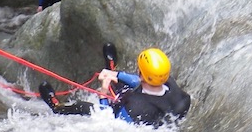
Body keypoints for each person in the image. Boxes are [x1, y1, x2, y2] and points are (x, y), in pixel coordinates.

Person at [39, 44, 191, 127]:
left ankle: (57, 107)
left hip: (129, 122)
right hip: (154, 113)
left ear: (141, 73)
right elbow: (141, 82)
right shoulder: (169, 83)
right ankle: (112, 70)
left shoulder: (135, 107)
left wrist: (103, 93)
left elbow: (108, 119)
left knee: (81, 106)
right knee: (123, 85)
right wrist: (116, 76)